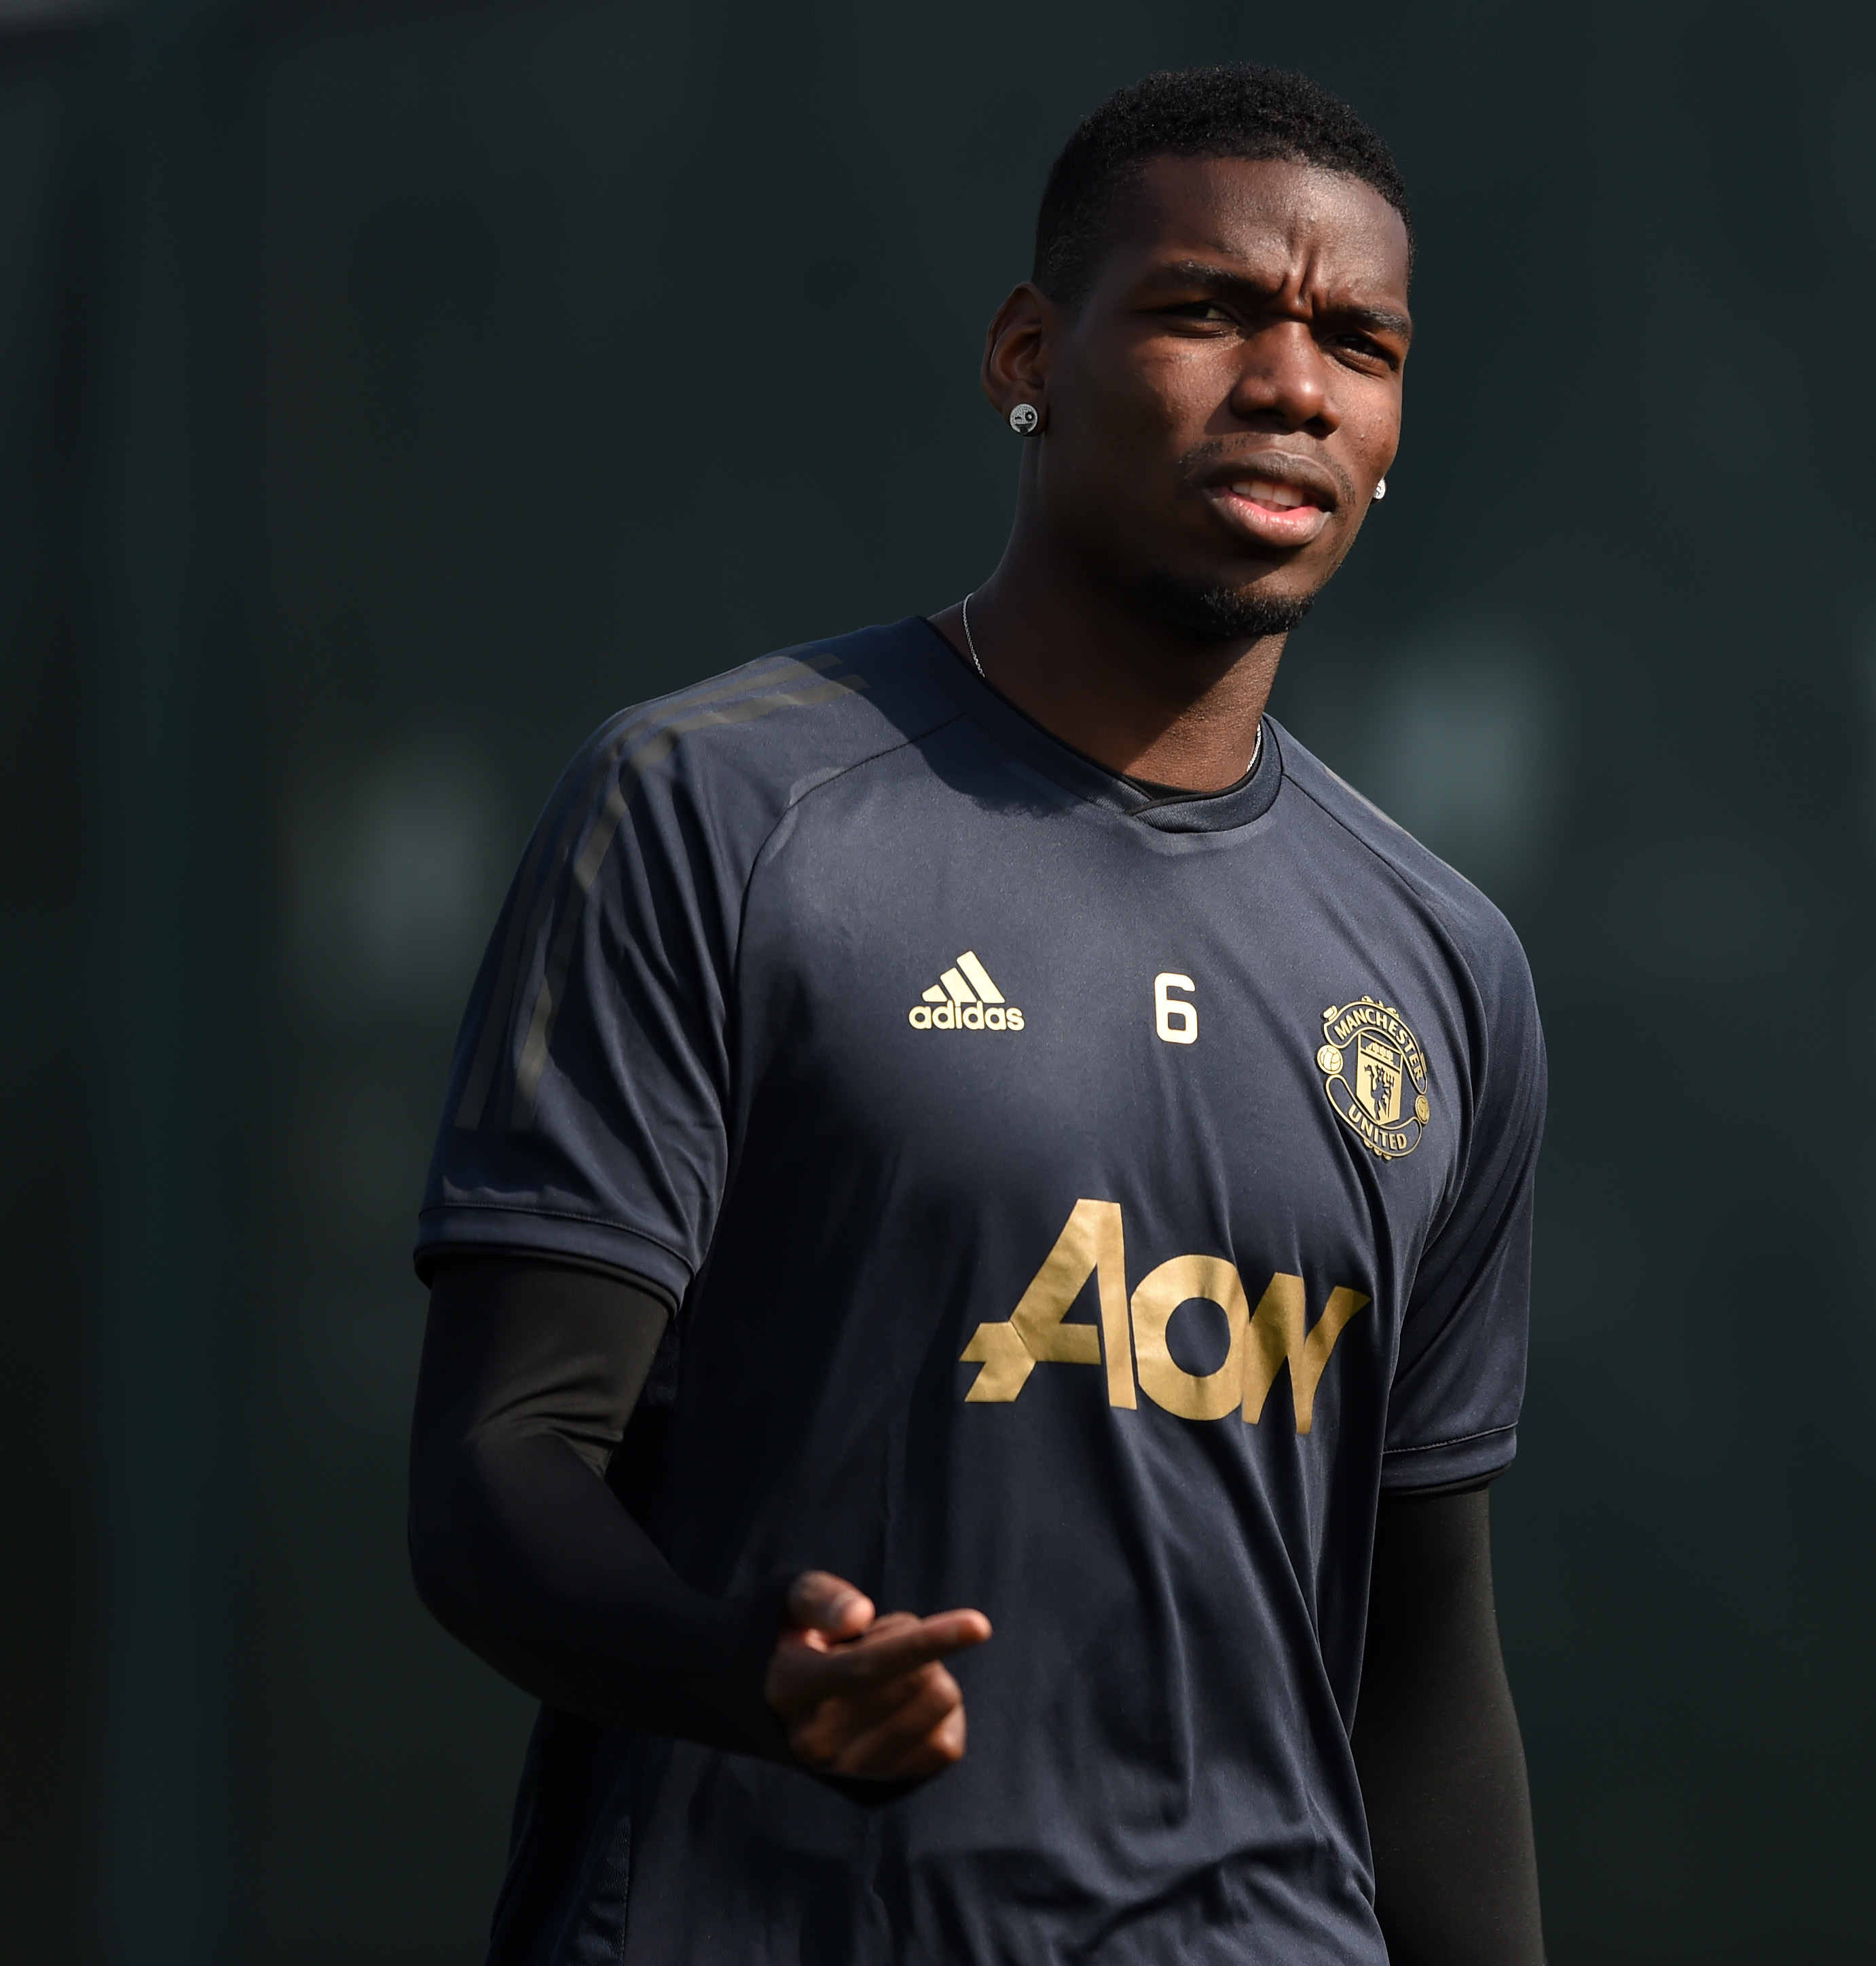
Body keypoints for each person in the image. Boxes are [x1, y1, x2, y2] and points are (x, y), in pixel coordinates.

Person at [406, 63, 1547, 1966]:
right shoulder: (713, 809)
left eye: (1358, 341)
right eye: (1205, 312)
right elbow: (497, 1471)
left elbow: (1422, 1663)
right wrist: (748, 1668)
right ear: (1030, 350)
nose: (1291, 382)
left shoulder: (1440, 958)